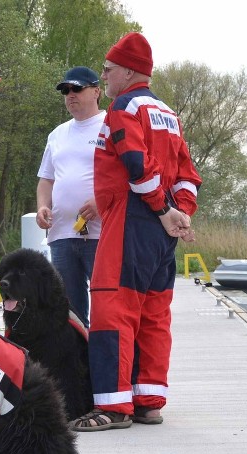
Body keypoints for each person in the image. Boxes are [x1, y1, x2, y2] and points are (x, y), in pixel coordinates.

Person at [71, 32, 201, 431]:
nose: (105, 76)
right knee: (154, 313)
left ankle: (113, 407)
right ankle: (148, 401)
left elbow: (134, 162)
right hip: (162, 231)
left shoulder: (124, 108)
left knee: (113, 308)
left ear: (128, 71)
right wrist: (181, 214)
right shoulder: (169, 114)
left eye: (108, 70)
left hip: (132, 220)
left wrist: (163, 210)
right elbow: (188, 176)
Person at [35, 66, 105, 328]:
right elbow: (46, 179)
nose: (70, 95)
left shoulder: (110, 125)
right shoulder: (57, 134)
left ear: (97, 91)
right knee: (69, 312)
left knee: (107, 305)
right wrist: (43, 206)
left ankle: (106, 365)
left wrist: (103, 201)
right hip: (62, 234)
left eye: (77, 88)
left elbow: (125, 175)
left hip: (100, 233)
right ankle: (77, 366)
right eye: (66, 91)